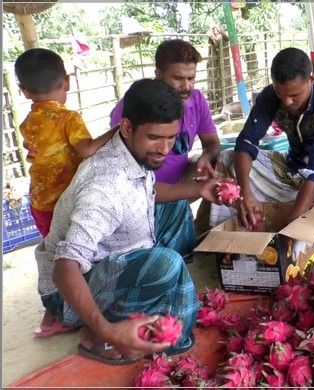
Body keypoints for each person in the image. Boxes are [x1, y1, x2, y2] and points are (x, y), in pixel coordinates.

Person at [35, 79, 222, 365]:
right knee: (167, 264)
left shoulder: (132, 152)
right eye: (155, 138)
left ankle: (131, 314)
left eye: (171, 137)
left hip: (115, 258)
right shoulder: (105, 184)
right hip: (69, 290)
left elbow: (147, 191)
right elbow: (65, 267)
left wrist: (198, 190)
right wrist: (107, 330)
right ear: (126, 127)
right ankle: (96, 334)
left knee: (177, 212)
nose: (164, 148)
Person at [212, 47, 314, 249]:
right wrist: (246, 193)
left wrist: (291, 227)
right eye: (280, 94)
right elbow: (246, 142)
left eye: (294, 95)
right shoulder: (269, 97)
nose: (287, 102)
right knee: (227, 158)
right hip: (293, 167)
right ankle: (232, 238)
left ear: (311, 80)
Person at [14, 48, 118, 338]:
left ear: (23, 91)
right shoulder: (68, 119)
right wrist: (115, 131)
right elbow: (85, 149)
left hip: (39, 202)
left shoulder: (27, 122)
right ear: (67, 82)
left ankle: (58, 311)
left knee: (53, 253)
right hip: (66, 202)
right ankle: (58, 314)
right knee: (71, 255)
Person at [110, 39, 221, 237]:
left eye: (191, 78)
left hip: (179, 182)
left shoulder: (196, 99)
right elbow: (132, 181)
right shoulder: (137, 104)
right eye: (178, 78)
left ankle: (205, 232)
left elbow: (212, 144)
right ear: (159, 75)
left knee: (224, 161)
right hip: (140, 191)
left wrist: (206, 157)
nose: (186, 86)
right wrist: (196, 189)